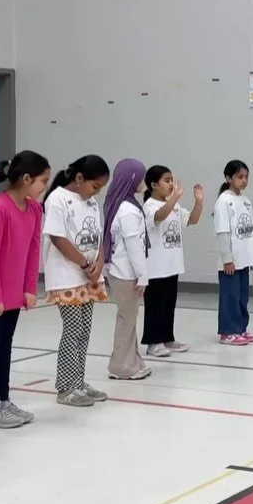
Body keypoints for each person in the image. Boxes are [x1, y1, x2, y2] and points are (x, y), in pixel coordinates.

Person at [0, 151, 50, 429]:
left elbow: (33, 250)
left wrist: (29, 288)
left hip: (14, 294)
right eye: (43, 181)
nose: (44, 187)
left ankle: (3, 399)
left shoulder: (34, 210)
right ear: (26, 179)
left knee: (4, 347)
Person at [42, 155, 111, 408]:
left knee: (84, 330)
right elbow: (58, 238)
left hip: (89, 277)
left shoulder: (91, 202)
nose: (97, 192)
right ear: (79, 178)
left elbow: (99, 238)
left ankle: (79, 382)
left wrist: (99, 264)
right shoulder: (57, 198)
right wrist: (83, 264)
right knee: (72, 330)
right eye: (95, 186)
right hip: (67, 277)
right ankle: (65, 387)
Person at [142, 166, 204, 357]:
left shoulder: (174, 205)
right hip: (156, 267)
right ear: (154, 185)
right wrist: (175, 197)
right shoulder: (150, 206)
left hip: (173, 265)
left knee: (169, 305)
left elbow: (192, 220)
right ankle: (153, 343)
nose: (171, 184)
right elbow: (159, 217)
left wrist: (198, 201)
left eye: (172, 180)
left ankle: (168, 338)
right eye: (166, 180)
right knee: (155, 306)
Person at [103, 159, 151, 380]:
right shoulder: (128, 210)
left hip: (120, 270)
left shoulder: (121, 204)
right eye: (141, 177)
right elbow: (134, 245)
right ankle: (121, 367)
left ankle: (132, 361)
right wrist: (143, 275)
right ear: (132, 179)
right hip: (125, 272)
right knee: (127, 319)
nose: (143, 182)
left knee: (129, 319)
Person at [214, 160, 253, 346]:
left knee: (242, 296)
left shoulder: (246, 201)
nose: (244, 180)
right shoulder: (223, 201)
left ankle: (240, 327)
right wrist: (227, 258)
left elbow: (250, 231)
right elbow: (223, 231)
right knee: (230, 296)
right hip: (231, 261)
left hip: (244, 259)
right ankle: (228, 331)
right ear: (228, 178)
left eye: (246, 177)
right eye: (240, 177)